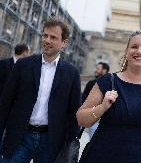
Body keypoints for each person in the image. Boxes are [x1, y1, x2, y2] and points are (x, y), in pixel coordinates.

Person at [76, 30, 141, 163]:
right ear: (127, 51)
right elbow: (82, 120)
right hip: (100, 157)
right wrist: (102, 107)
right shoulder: (107, 81)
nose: (139, 51)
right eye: (134, 46)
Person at [0, 17, 81, 163]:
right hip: (20, 137)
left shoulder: (71, 73)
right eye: (45, 35)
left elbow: (74, 112)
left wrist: (68, 143)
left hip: (50, 141)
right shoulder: (23, 65)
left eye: (53, 37)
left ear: (64, 43)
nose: (47, 40)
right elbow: (6, 102)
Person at [82, 62, 110, 139]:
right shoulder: (91, 83)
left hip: (102, 120)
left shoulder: (111, 85)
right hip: (90, 116)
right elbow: (83, 99)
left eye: (98, 69)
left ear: (104, 71)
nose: (96, 70)